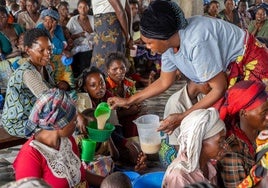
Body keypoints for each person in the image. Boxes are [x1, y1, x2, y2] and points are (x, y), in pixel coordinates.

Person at [108, 0, 268, 136]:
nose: (149, 48)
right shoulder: (169, 47)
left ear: (164, 36)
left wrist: (182, 117)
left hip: (250, 61)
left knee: (245, 116)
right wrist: (129, 100)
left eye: (150, 42)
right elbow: (164, 81)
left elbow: (219, 89)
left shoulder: (196, 41)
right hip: (229, 70)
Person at [13, 88, 104, 187]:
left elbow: (80, 173)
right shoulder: (30, 157)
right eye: (74, 121)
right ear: (60, 125)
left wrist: (107, 182)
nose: (76, 124)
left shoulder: (68, 141)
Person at [77, 66, 141, 164]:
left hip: (107, 138)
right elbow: (94, 130)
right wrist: (124, 142)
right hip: (87, 142)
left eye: (101, 83)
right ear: (86, 88)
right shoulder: (82, 100)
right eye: (93, 85)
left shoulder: (108, 99)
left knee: (129, 150)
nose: (100, 88)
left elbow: (114, 125)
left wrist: (125, 143)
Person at [1, 28, 58, 137]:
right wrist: (76, 115)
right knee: (57, 129)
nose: (48, 54)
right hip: (19, 121)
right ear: (27, 50)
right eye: (41, 50)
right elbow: (48, 99)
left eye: (49, 49)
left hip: (35, 116)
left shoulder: (47, 67)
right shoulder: (27, 72)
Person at [215, 81, 268, 187]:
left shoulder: (262, 133)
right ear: (243, 113)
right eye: (264, 113)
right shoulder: (231, 153)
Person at [162, 108, 227, 188]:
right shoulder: (179, 177)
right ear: (199, 143)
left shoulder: (209, 164)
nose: (225, 146)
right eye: (220, 142)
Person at [159, 78, 211, 168]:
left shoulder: (203, 96)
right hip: (176, 150)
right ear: (197, 79)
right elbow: (177, 145)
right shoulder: (175, 104)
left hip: (194, 145)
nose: (213, 85)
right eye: (210, 80)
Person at [105, 52, 146, 138]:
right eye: (114, 69)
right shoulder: (105, 87)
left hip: (126, 116)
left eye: (122, 68)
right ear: (108, 70)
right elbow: (108, 115)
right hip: (112, 121)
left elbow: (134, 102)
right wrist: (128, 111)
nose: (119, 72)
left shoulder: (129, 84)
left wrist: (137, 106)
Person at [90, 0, 133, 73]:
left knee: (105, 66)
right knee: (116, 65)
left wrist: (127, 36)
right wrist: (128, 35)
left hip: (107, 29)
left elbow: (121, 12)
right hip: (117, 30)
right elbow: (128, 11)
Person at [66, 0, 94, 78]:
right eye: (80, 7)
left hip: (92, 46)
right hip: (78, 48)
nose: (83, 9)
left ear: (89, 8)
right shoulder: (73, 20)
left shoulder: (93, 19)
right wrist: (78, 35)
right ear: (78, 8)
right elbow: (67, 35)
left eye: (85, 7)